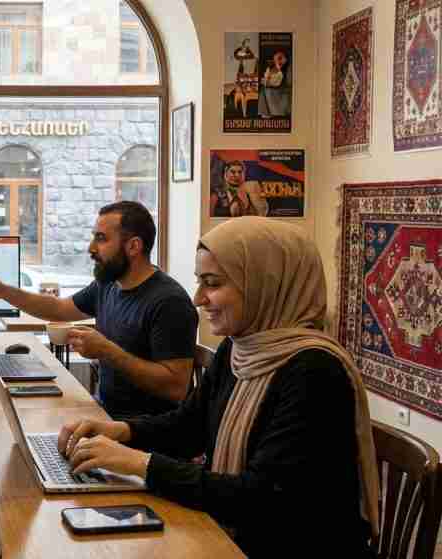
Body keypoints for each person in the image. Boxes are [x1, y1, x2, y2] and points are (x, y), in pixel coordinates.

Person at [57, 217, 379, 558]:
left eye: (212, 284)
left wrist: (140, 464)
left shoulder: (315, 372)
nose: (198, 298)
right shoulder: (239, 348)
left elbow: (259, 498)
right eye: (200, 282)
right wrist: (119, 431)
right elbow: (189, 426)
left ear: (263, 284)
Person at [0, 201, 198, 419]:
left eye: (101, 238)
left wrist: (107, 351)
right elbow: (59, 309)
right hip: (104, 413)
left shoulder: (170, 303)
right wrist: (5, 292)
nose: (91, 248)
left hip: (146, 432)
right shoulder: (108, 285)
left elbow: (175, 388)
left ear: (134, 246)